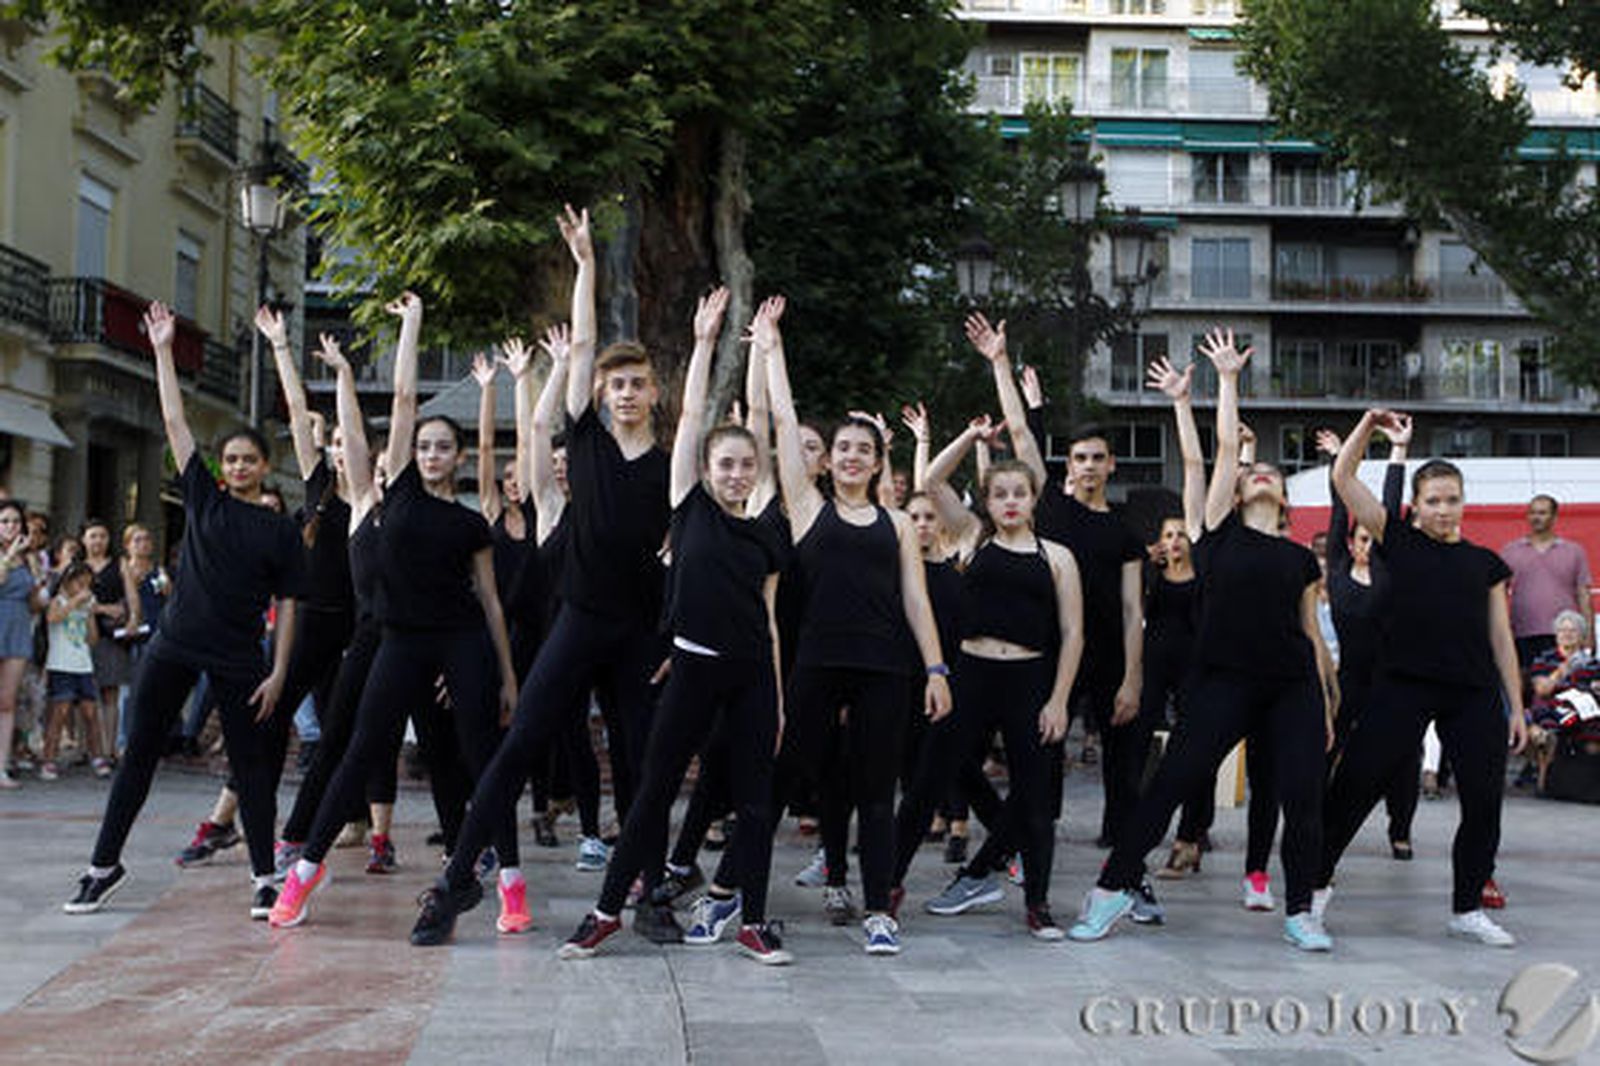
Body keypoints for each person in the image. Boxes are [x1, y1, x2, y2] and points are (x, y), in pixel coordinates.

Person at [408, 206, 676, 947]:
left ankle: (650, 890)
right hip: (579, 620)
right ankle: (458, 880)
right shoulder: (583, 442)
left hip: (639, 629)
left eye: (636, 383)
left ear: (654, 393)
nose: (623, 391)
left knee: (641, 765)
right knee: (520, 742)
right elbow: (583, 344)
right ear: (601, 396)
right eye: (614, 383)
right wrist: (586, 264)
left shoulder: (667, 464)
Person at [1070, 328, 1338, 952]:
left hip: (1292, 684)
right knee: (1170, 785)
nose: (1264, 475)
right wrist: (1225, 382)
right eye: (1254, 473)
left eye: (1273, 472)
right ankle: (1110, 890)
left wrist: (1326, 698)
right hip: (1223, 681)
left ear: (1285, 496)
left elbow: (1310, 633)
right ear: (1240, 491)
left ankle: (1300, 911)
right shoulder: (1217, 533)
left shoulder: (1302, 560)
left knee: (1303, 799)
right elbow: (1214, 452)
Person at [270, 293, 521, 930]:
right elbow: (405, 398)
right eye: (425, 447)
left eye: (443, 448)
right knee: (359, 748)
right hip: (400, 641)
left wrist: (509, 676)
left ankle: (511, 883)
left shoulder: (470, 523)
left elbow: (490, 602)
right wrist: (411, 325)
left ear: (458, 459)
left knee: (479, 753)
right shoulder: (397, 490)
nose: (432, 453)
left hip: (461, 640)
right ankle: (304, 873)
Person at [559, 289, 793, 964]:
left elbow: (771, 624)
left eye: (747, 465)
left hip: (750, 676)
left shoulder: (765, 533)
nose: (737, 474)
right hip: (692, 667)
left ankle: (752, 921)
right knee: (652, 795)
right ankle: (606, 912)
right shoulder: (686, 503)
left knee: (754, 805)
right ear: (707, 469)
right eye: (726, 463)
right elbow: (692, 412)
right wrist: (704, 342)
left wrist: (774, 696)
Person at [63, 301, 306, 919]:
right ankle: (101, 866)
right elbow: (174, 420)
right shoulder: (204, 499)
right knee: (138, 754)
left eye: (249, 459)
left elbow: (289, 603)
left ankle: (262, 878)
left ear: (264, 468)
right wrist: (164, 350)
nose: (239, 466)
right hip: (173, 645)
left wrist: (279, 672)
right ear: (221, 470)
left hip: (238, 656)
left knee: (251, 769)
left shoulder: (279, 531)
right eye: (231, 460)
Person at [756, 296, 951, 957]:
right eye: (842, 448)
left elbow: (917, 601)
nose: (850, 457)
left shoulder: (898, 524)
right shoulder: (807, 506)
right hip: (817, 660)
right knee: (782, 780)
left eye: (863, 450)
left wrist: (935, 668)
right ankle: (739, 898)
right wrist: (772, 347)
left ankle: (877, 910)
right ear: (829, 457)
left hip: (886, 670)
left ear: (877, 462)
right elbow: (783, 421)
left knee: (876, 793)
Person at [1317, 408, 1527, 947]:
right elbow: (1343, 479)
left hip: (1474, 692)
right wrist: (1366, 427)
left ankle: (1466, 907)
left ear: (1463, 501)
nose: (1443, 509)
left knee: (1484, 801)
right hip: (1403, 684)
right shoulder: (1397, 540)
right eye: (1432, 500)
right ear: (1417, 504)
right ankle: (1313, 888)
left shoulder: (1484, 563)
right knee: (1355, 786)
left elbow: (1501, 638)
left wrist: (1517, 707)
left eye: (1452, 499)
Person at [906, 398, 1085, 939]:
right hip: (972, 672)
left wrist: (1058, 699)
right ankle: (886, 889)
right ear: (987, 501)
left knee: (1035, 798)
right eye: (1000, 494)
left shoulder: (1056, 556)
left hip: (1029, 678)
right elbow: (933, 480)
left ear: (1033, 500)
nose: (1010, 502)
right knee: (930, 780)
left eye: (1019, 494)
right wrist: (970, 436)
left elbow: (1074, 633)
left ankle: (1037, 904)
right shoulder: (970, 537)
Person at [1313, 424, 1417, 861]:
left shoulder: (1389, 569)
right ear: (1350, 544)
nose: (1366, 543)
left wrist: (1398, 450)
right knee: (1328, 746)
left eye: (1372, 538)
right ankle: (1317, 820)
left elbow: (1388, 508)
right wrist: (1339, 459)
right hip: (1349, 679)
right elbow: (1341, 505)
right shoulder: (1336, 569)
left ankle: (1400, 830)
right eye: (1361, 537)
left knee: (1403, 757)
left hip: (1390, 678)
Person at [1501, 495, 1593, 668]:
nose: (1536, 517)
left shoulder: (1574, 551)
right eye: (1532, 513)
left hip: (1566, 636)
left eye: (1542, 513)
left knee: (1567, 691)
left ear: (1555, 517)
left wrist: (1588, 638)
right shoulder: (1510, 552)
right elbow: (1498, 595)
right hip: (1523, 635)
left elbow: (1583, 596)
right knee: (1528, 690)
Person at [39, 561, 104, 780]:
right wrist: (76, 601)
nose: (84, 588)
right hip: (60, 664)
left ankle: (97, 756)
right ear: (68, 582)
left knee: (90, 712)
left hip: (84, 665)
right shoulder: (58, 601)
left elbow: (92, 639)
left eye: (87, 584)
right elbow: (52, 618)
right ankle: (48, 759)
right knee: (60, 712)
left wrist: (90, 614)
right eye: (79, 583)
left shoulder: (87, 604)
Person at [1, 499, 46, 789]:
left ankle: (1, 765)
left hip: (17, 626)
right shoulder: (9, 556)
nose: (11, 527)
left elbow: (33, 603)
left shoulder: (30, 558)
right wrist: (9, 556)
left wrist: (40, 594)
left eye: (16, 522)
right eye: (4, 521)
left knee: (6, 701)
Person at [81, 520, 127, 778]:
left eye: (102, 536)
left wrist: (101, 610)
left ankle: (108, 748)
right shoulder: (76, 567)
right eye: (92, 536)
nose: (97, 541)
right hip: (78, 636)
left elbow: (126, 604)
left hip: (110, 636)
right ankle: (86, 749)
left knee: (110, 692)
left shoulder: (118, 565)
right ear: (83, 540)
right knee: (84, 694)